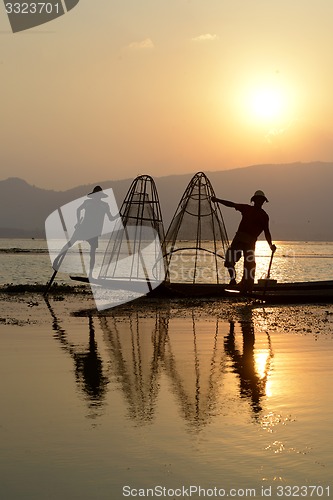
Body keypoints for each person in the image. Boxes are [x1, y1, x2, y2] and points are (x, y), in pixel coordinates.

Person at [211, 190, 276, 292]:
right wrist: (217, 200)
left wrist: (270, 245)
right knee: (229, 260)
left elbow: (267, 232)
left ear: (263, 202)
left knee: (249, 266)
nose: (260, 202)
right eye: (258, 200)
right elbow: (231, 204)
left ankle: (247, 287)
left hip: (251, 242)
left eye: (261, 200)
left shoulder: (264, 216)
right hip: (240, 238)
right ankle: (233, 280)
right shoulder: (246, 208)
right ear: (254, 201)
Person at [54, 186, 119, 278]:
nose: (97, 197)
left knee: (92, 253)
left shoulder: (104, 205)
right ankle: (56, 259)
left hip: (94, 231)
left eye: (98, 195)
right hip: (83, 227)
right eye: (96, 195)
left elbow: (111, 218)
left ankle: (91, 275)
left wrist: (118, 215)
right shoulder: (87, 202)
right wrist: (78, 222)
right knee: (70, 243)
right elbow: (78, 209)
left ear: (100, 196)